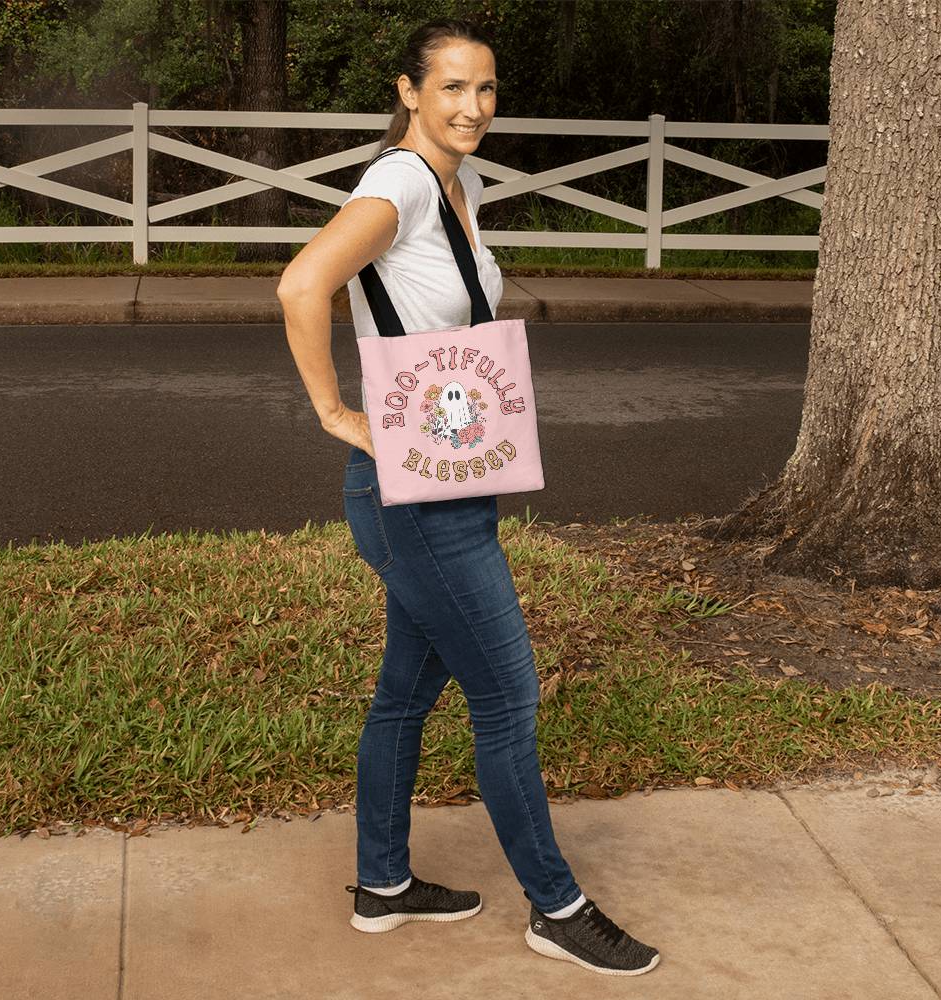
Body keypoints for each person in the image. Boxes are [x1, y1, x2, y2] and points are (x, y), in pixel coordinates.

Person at [277, 17, 660, 978]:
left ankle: (383, 887)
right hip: (413, 496)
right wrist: (333, 409)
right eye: (450, 88)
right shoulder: (402, 182)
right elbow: (303, 284)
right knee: (508, 695)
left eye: (485, 89)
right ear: (408, 91)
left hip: (445, 477)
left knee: (406, 691)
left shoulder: (459, 181)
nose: (472, 107)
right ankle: (557, 907)